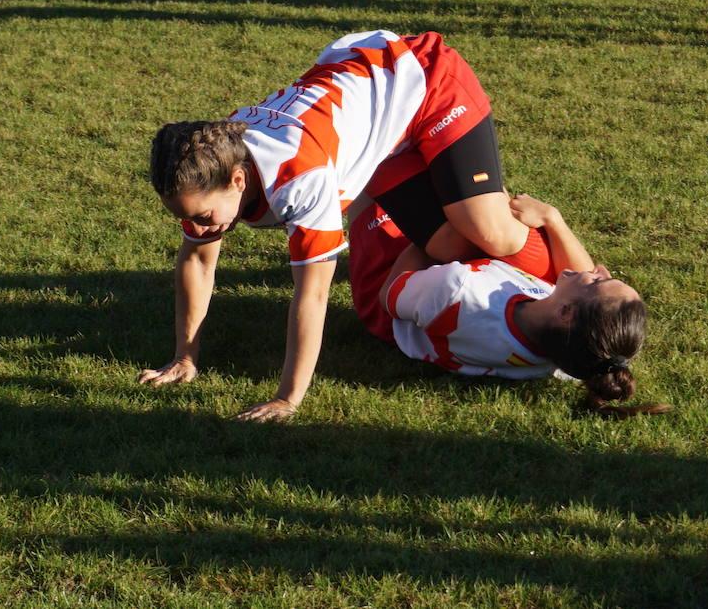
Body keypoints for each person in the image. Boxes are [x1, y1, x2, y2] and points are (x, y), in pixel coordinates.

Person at [143, 31, 565, 422]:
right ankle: (463, 193)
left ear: (239, 180)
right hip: (381, 122)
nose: (196, 226)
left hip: (425, 80)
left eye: (200, 216)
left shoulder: (298, 180)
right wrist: (185, 356)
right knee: (449, 243)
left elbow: (314, 293)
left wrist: (288, 398)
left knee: (491, 234)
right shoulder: (217, 158)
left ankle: (569, 271)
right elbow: (197, 261)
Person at [351, 194, 669, 417]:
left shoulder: (459, 292)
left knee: (384, 175)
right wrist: (552, 218)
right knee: (498, 225)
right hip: (446, 281)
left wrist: (437, 235)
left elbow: (389, 294)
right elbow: (581, 281)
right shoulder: (575, 352)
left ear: (566, 313)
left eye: (599, 281)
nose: (599, 268)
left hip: (389, 282)